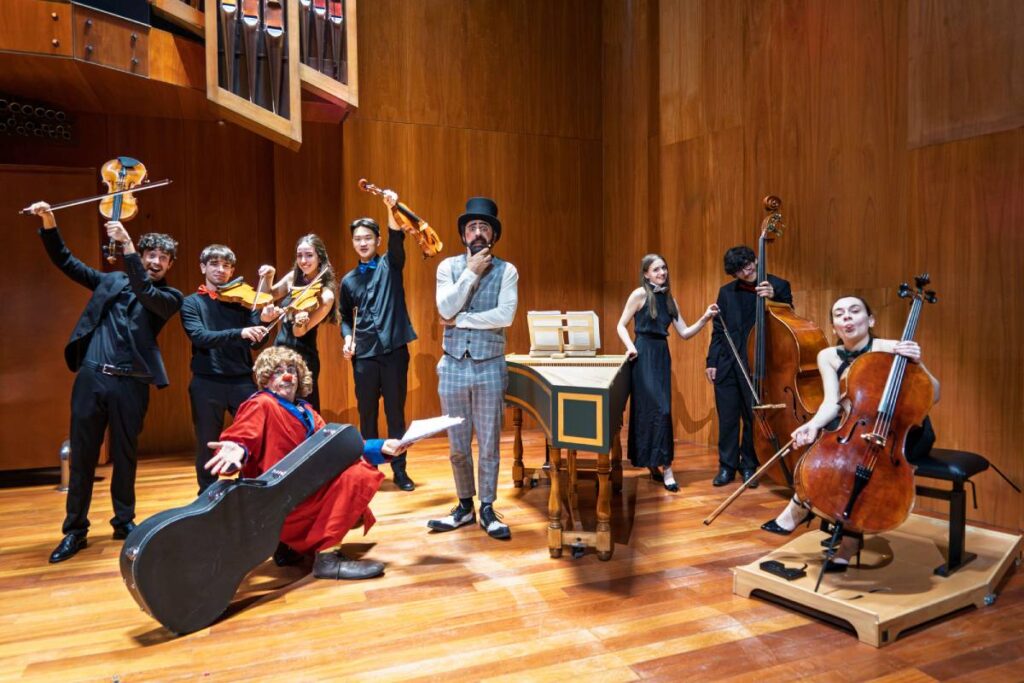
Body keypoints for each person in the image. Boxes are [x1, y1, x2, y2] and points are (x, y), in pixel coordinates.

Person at [28, 201, 183, 564]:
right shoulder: (111, 280)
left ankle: (123, 521)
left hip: (132, 383)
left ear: (171, 265)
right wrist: (50, 223)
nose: (157, 261)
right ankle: (75, 530)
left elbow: (145, 292)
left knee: (126, 455)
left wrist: (128, 247)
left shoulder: (169, 298)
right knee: (83, 456)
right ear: (143, 255)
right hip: (93, 376)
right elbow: (67, 262)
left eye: (164, 257)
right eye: (151, 254)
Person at [760, 295, 940, 571]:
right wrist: (812, 425)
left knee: (858, 463)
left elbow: (934, 394)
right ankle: (830, 524)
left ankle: (836, 533)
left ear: (870, 320)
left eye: (855, 311)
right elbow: (832, 402)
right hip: (860, 428)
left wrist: (920, 362)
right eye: (839, 314)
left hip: (901, 434)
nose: (847, 317)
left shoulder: (891, 348)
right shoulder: (827, 356)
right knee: (832, 446)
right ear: (834, 326)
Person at [204, 346, 407, 580]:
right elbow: (243, 433)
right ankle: (328, 560)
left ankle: (286, 546)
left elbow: (337, 447)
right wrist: (236, 447)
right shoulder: (262, 404)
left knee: (351, 470)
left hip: (299, 492)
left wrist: (381, 447)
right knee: (358, 475)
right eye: (278, 371)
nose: (287, 375)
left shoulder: (306, 410)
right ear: (265, 378)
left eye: (291, 369)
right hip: (278, 499)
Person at [427, 197, 518, 539]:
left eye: (484, 227)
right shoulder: (447, 268)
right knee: (457, 444)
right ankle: (465, 505)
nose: (477, 232)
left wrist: (461, 320)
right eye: (471, 227)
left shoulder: (508, 271)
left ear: (493, 233)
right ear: (463, 235)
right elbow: (444, 305)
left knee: (490, 442)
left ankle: (488, 507)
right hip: (451, 365)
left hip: (490, 366)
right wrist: (470, 273)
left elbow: (504, 316)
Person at [616, 254, 718, 491]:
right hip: (642, 355)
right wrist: (630, 347)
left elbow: (684, 332)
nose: (662, 273)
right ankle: (663, 467)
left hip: (661, 355)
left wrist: (704, 318)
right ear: (646, 274)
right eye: (655, 270)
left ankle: (661, 464)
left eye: (664, 268)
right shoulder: (639, 294)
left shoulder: (671, 300)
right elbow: (621, 324)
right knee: (651, 410)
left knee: (662, 410)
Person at [340, 191, 418, 492]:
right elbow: (345, 317)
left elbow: (397, 236)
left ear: (377, 240)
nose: (362, 243)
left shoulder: (391, 265)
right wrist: (347, 338)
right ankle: (369, 473)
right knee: (367, 415)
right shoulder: (347, 281)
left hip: (395, 352)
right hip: (364, 357)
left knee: (396, 415)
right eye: (357, 238)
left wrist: (390, 207)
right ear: (353, 242)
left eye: (368, 238)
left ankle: (400, 470)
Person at [180, 244, 274, 494]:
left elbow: (258, 341)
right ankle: (208, 495)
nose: (220, 270)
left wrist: (263, 323)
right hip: (206, 382)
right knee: (207, 442)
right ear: (203, 267)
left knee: (253, 438)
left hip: (242, 381)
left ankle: (250, 491)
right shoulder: (191, 303)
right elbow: (200, 337)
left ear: (232, 270)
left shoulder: (242, 300)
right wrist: (240, 332)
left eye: (226, 266)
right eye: (214, 264)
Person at [705, 245, 792, 487]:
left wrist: (774, 298)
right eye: (740, 270)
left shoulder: (778, 286)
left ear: (755, 258)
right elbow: (719, 330)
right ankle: (726, 467)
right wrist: (711, 361)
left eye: (749, 263)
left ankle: (749, 466)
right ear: (734, 274)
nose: (747, 270)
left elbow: (788, 318)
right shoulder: (726, 292)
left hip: (758, 363)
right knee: (728, 418)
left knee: (752, 418)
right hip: (727, 363)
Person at [260, 234, 338, 411]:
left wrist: (300, 321)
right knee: (278, 408)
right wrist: (268, 276)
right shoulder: (293, 278)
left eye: (309, 255)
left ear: (320, 257)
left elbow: (299, 332)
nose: (303, 260)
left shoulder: (326, 295)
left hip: (303, 358)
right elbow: (266, 297)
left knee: (303, 410)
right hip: (279, 352)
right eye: (299, 255)